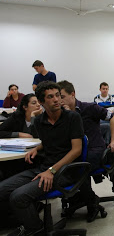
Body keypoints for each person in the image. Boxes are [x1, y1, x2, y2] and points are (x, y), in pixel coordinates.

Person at [0, 81, 84, 235]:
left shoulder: (72, 117)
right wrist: (36, 148)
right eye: (50, 97)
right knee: (2, 189)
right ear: (41, 102)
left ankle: (36, 230)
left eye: (57, 95)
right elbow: (48, 142)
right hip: (44, 168)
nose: (56, 99)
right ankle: (31, 225)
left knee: (18, 197)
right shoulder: (39, 121)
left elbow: (76, 150)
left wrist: (51, 171)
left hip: (64, 172)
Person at [58, 80, 114, 222]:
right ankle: (80, 197)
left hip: (95, 150)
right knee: (64, 163)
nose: (59, 100)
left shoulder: (89, 108)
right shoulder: (61, 114)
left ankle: (90, 201)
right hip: (76, 151)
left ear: (72, 94)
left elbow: (113, 118)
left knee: (76, 166)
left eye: (62, 96)